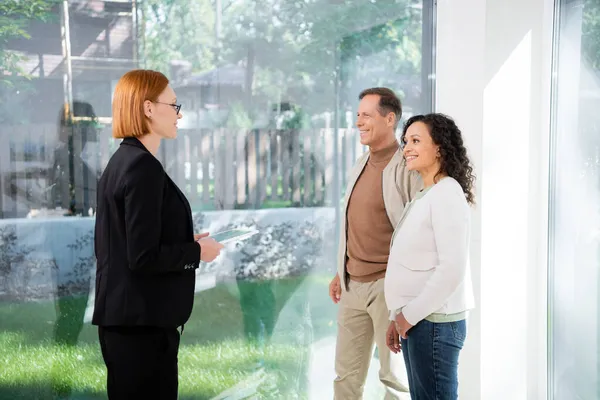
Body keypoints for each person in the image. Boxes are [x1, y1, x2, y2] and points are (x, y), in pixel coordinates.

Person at [92, 69, 224, 399]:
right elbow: (142, 257)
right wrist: (197, 253)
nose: (180, 114)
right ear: (148, 108)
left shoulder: (122, 161)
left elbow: (129, 242)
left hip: (127, 323)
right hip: (141, 329)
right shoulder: (141, 167)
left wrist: (185, 242)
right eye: (175, 105)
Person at [329, 87, 421, 399]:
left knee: (394, 378)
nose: (358, 122)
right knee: (346, 376)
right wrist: (340, 271)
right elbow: (354, 222)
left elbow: (417, 231)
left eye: (366, 115)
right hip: (352, 286)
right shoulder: (360, 163)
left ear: (390, 118)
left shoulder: (406, 167)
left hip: (388, 289)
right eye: (357, 115)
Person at [384, 113, 476, 400]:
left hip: (433, 324)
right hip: (418, 322)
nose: (406, 148)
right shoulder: (427, 194)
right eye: (405, 141)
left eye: (415, 140)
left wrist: (406, 317)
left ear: (439, 147)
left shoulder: (447, 193)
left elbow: (452, 269)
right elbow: (412, 266)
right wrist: (395, 316)